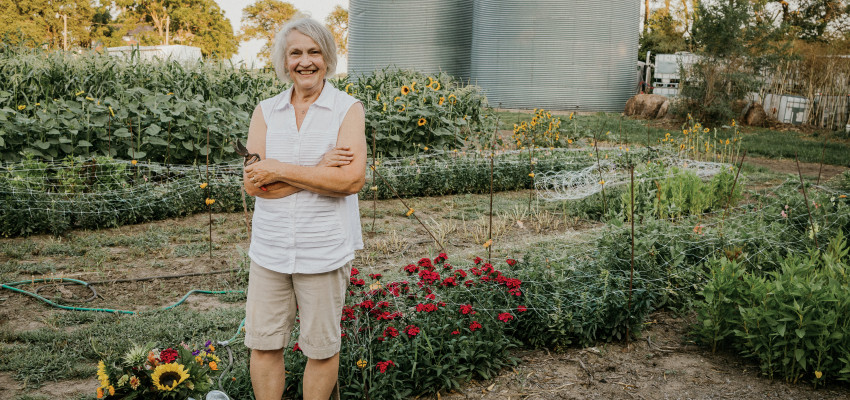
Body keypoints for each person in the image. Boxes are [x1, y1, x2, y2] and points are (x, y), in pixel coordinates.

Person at [241, 17, 366, 400]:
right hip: (270, 249)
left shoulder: (347, 109)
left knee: (321, 347)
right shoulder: (266, 111)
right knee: (263, 343)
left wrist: (277, 169)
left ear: (327, 57)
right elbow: (253, 185)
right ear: (284, 60)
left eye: (314, 52)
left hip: (324, 249)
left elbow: (349, 181)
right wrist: (317, 171)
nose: (305, 61)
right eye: (296, 52)